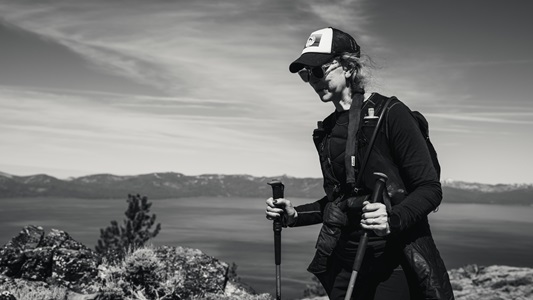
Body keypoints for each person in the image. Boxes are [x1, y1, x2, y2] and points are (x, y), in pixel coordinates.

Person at [265, 27, 454, 300]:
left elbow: (429, 188)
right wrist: (296, 215)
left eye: (319, 70)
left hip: (390, 262)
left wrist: (392, 218)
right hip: (343, 263)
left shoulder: (391, 114)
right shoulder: (328, 130)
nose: (313, 80)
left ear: (348, 66)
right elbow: (341, 199)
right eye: (306, 75)